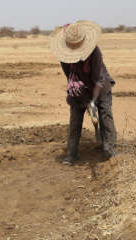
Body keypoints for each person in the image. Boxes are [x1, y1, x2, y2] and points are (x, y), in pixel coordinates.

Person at [50, 20, 117, 165]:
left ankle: (109, 150)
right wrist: (84, 99)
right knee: (75, 119)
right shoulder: (64, 58)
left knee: (105, 115)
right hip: (79, 89)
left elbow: (98, 80)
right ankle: (72, 154)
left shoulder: (94, 53)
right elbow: (70, 78)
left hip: (100, 87)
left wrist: (92, 101)